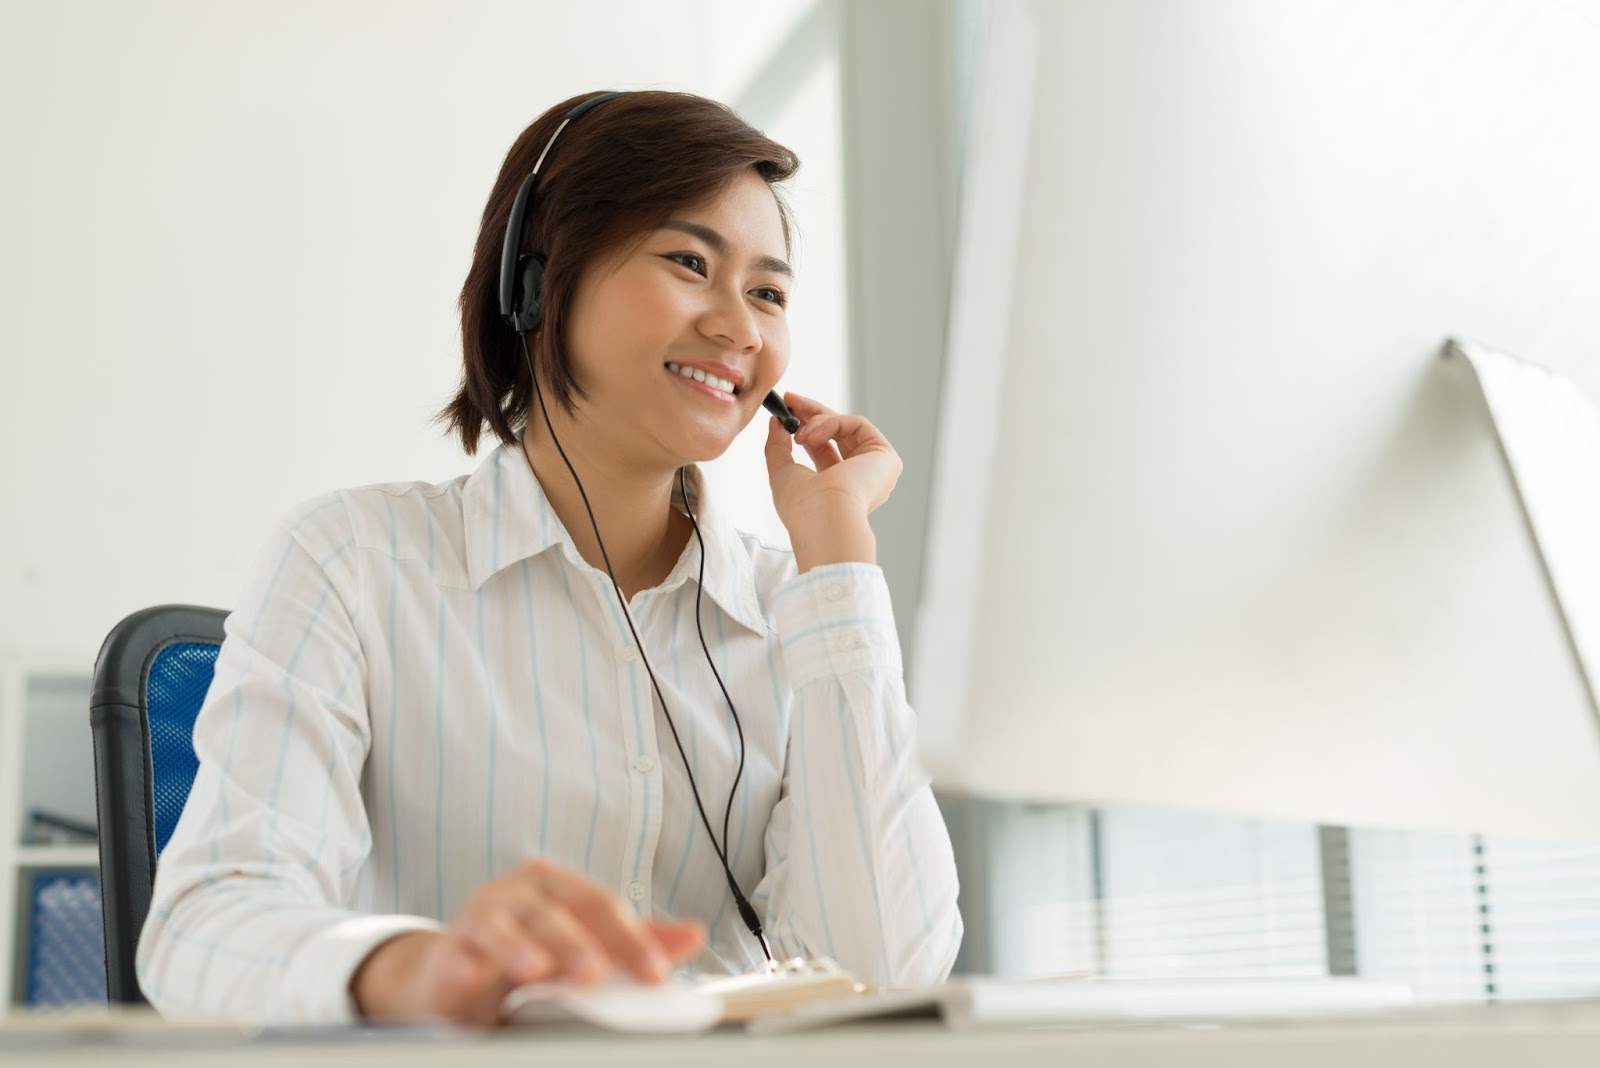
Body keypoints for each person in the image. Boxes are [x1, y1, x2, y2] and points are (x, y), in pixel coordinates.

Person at [137, 89, 962, 1026]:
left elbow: (887, 976)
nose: (740, 327)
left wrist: (839, 570)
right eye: (691, 262)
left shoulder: (797, 613)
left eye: (768, 292)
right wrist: (422, 967)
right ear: (538, 281)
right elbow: (205, 927)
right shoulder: (353, 562)